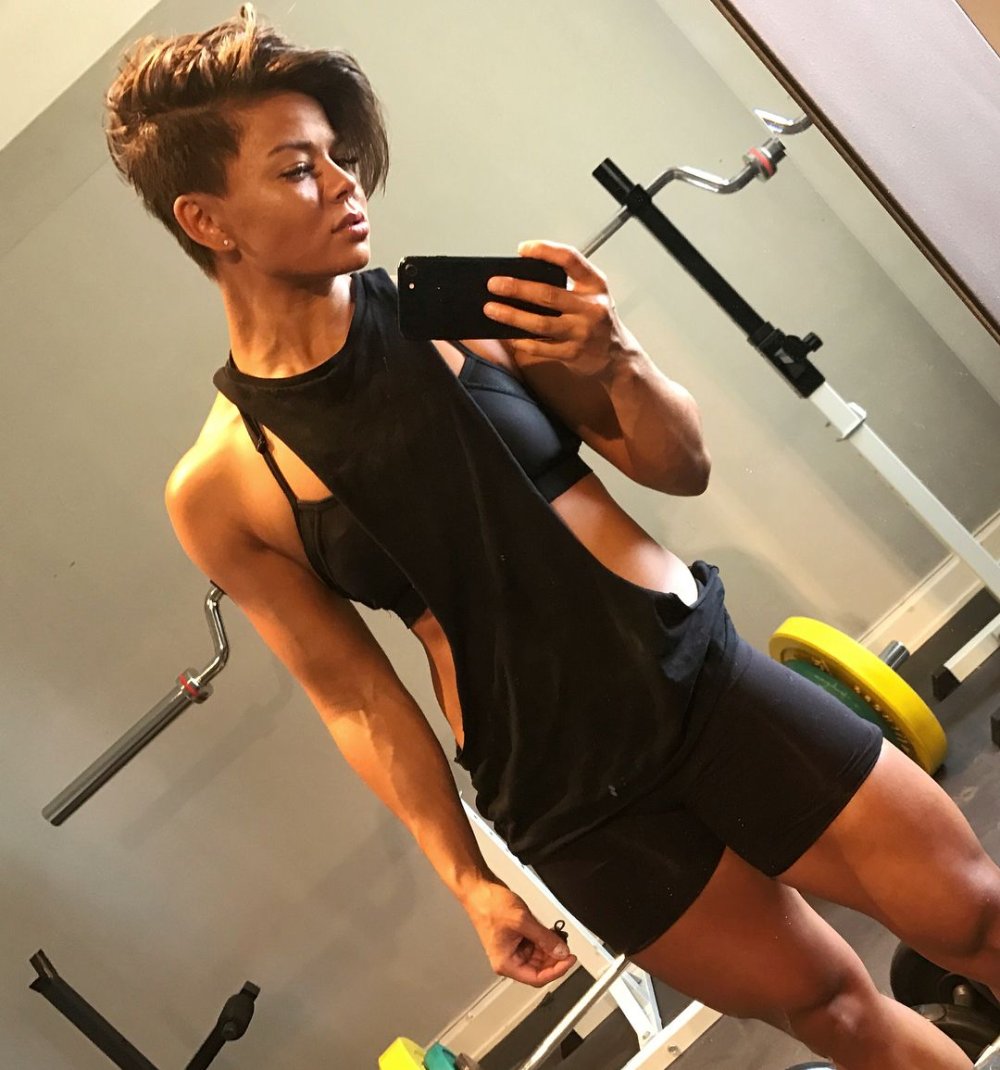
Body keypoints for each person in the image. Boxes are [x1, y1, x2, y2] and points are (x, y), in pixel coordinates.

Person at [104, 7, 1000, 1068]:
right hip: (566, 796)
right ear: (207, 221)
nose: (345, 183)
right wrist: (470, 878)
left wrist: (618, 356)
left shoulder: (466, 313)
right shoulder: (221, 484)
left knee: (972, 914)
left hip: (700, 682)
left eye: (339, 155)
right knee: (833, 1009)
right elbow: (355, 697)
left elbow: (680, 465)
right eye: (300, 169)